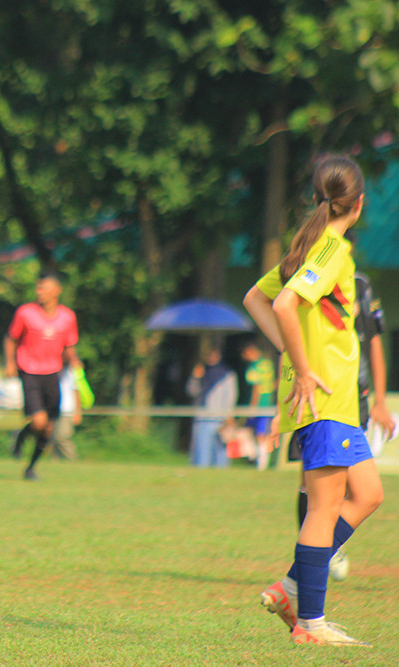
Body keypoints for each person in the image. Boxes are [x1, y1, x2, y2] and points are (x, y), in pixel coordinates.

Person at [243, 154, 383, 646]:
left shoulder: (310, 247)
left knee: (368, 494)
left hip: (337, 401)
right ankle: (310, 624)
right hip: (324, 398)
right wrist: (301, 367)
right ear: (359, 203)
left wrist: (291, 351)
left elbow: (255, 298)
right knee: (324, 509)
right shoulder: (330, 251)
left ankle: (290, 588)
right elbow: (282, 304)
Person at [288, 269, 395, 582]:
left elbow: (373, 341)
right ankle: (314, 561)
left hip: (353, 395)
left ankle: (316, 558)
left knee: (355, 487)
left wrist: (379, 399)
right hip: (318, 392)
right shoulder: (306, 278)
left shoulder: (359, 284)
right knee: (312, 481)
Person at [4, 272, 78, 480]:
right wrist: (9, 362)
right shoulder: (25, 313)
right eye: (37, 288)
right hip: (29, 371)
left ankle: (30, 468)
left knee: (48, 428)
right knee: (39, 421)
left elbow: (69, 346)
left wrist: (74, 360)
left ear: (57, 291)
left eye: (43, 288)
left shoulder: (67, 317)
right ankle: (22, 436)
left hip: (53, 373)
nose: (39, 292)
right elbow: (11, 338)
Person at [185, 346, 238, 468]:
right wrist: (195, 377)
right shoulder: (201, 372)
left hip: (219, 419)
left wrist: (229, 415)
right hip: (202, 418)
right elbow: (191, 391)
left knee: (219, 452)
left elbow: (231, 396)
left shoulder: (227, 374)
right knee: (201, 451)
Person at [241, 340, 276, 469]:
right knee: (261, 433)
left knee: (249, 432)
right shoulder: (268, 363)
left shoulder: (254, 368)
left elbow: (256, 388)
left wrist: (252, 407)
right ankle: (261, 461)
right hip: (268, 403)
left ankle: (256, 458)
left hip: (259, 405)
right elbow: (275, 382)